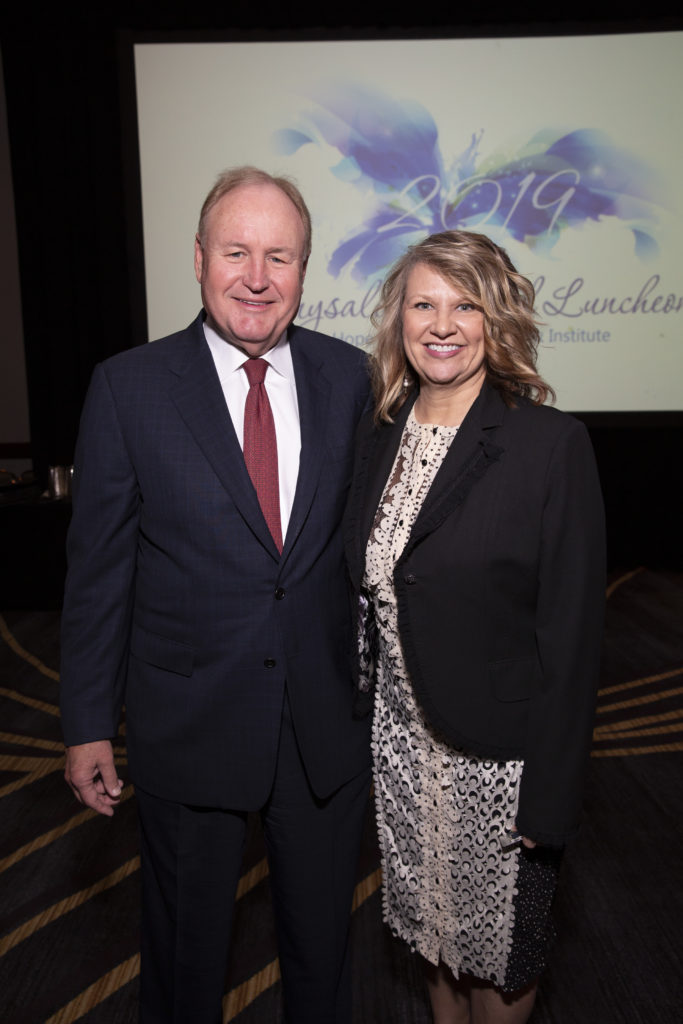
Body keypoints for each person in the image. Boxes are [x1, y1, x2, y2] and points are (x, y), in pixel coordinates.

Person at [60, 166, 372, 1024]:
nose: (258, 277)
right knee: (183, 965)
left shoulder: (353, 380)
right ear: (198, 260)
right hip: (189, 725)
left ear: (305, 271)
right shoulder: (129, 388)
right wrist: (88, 719)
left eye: (280, 256)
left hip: (322, 729)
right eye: (237, 252)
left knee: (324, 962)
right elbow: (98, 573)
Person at [343, 230, 605, 1023]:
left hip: (499, 769)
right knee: (431, 950)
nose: (441, 323)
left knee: (498, 970)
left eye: (465, 305)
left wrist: (550, 800)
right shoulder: (377, 437)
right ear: (399, 320)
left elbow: (572, 638)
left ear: (497, 320)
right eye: (423, 304)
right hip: (399, 757)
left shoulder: (546, 445)